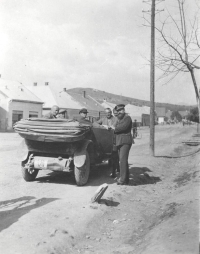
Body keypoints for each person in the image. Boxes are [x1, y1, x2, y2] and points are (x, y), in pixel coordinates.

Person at [95, 108, 119, 177]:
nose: (107, 114)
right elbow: (95, 123)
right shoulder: (103, 119)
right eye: (106, 113)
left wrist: (110, 127)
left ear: (111, 113)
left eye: (109, 112)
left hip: (114, 139)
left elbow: (114, 126)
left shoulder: (115, 119)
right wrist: (102, 126)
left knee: (115, 155)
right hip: (106, 140)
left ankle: (115, 171)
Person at [113, 104, 132, 185]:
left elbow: (123, 127)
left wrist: (114, 128)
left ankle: (122, 180)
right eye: (118, 111)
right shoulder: (119, 119)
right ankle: (126, 179)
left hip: (125, 141)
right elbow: (117, 126)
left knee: (122, 160)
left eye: (121, 110)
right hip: (120, 141)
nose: (120, 112)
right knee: (124, 161)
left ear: (124, 110)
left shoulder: (127, 118)